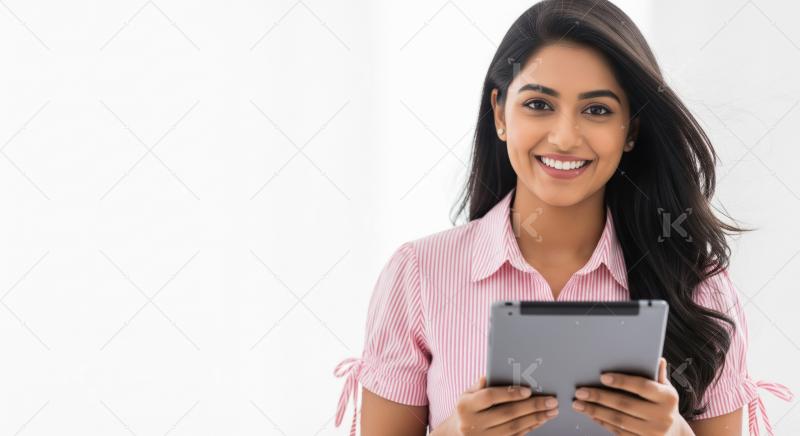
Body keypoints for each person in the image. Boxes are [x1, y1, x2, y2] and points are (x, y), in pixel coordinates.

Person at [333, 0, 793, 434]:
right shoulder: (418, 276)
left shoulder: (698, 285)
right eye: (538, 104)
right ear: (499, 113)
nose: (565, 136)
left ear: (630, 130)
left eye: (597, 110)